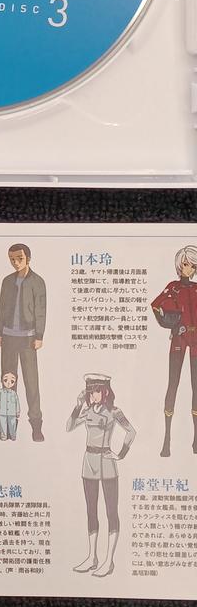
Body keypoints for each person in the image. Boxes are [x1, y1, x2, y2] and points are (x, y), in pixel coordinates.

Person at [65, 373, 135, 578]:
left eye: (96, 391)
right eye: (90, 391)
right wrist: (78, 405)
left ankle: (109, 560)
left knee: (111, 512)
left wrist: (121, 454)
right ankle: (92, 557)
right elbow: (69, 427)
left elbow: (131, 432)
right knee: (91, 511)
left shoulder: (114, 411)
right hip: (89, 463)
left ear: (105, 391)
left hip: (107, 464)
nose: (93, 395)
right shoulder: (87, 411)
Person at [150, 245, 197, 456]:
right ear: (180, 265)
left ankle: (196, 440)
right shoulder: (173, 287)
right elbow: (156, 306)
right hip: (179, 338)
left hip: (196, 340)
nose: (190, 268)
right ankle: (167, 440)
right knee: (173, 385)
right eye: (187, 264)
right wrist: (171, 324)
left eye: (193, 265)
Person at [0, 243, 46, 441]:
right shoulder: (7, 281)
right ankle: (10, 425)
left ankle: (36, 425)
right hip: (8, 337)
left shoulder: (37, 282)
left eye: (19, 258)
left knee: (31, 383)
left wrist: (39, 335)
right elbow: (2, 308)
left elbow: (41, 310)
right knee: (8, 382)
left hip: (28, 338)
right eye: (12, 259)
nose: (16, 262)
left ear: (28, 259)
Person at [0, 371, 20, 441]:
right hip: (2, 412)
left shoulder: (14, 393)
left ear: (15, 383)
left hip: (12, 413)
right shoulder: (0, 392)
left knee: (12, 425)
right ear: (1, 380)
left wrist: (17, 411)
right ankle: (4, 436)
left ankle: (13, 436)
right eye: (5, 380)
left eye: (12, 381)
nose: (9, 383)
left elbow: (17, 403)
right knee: (2, 425)